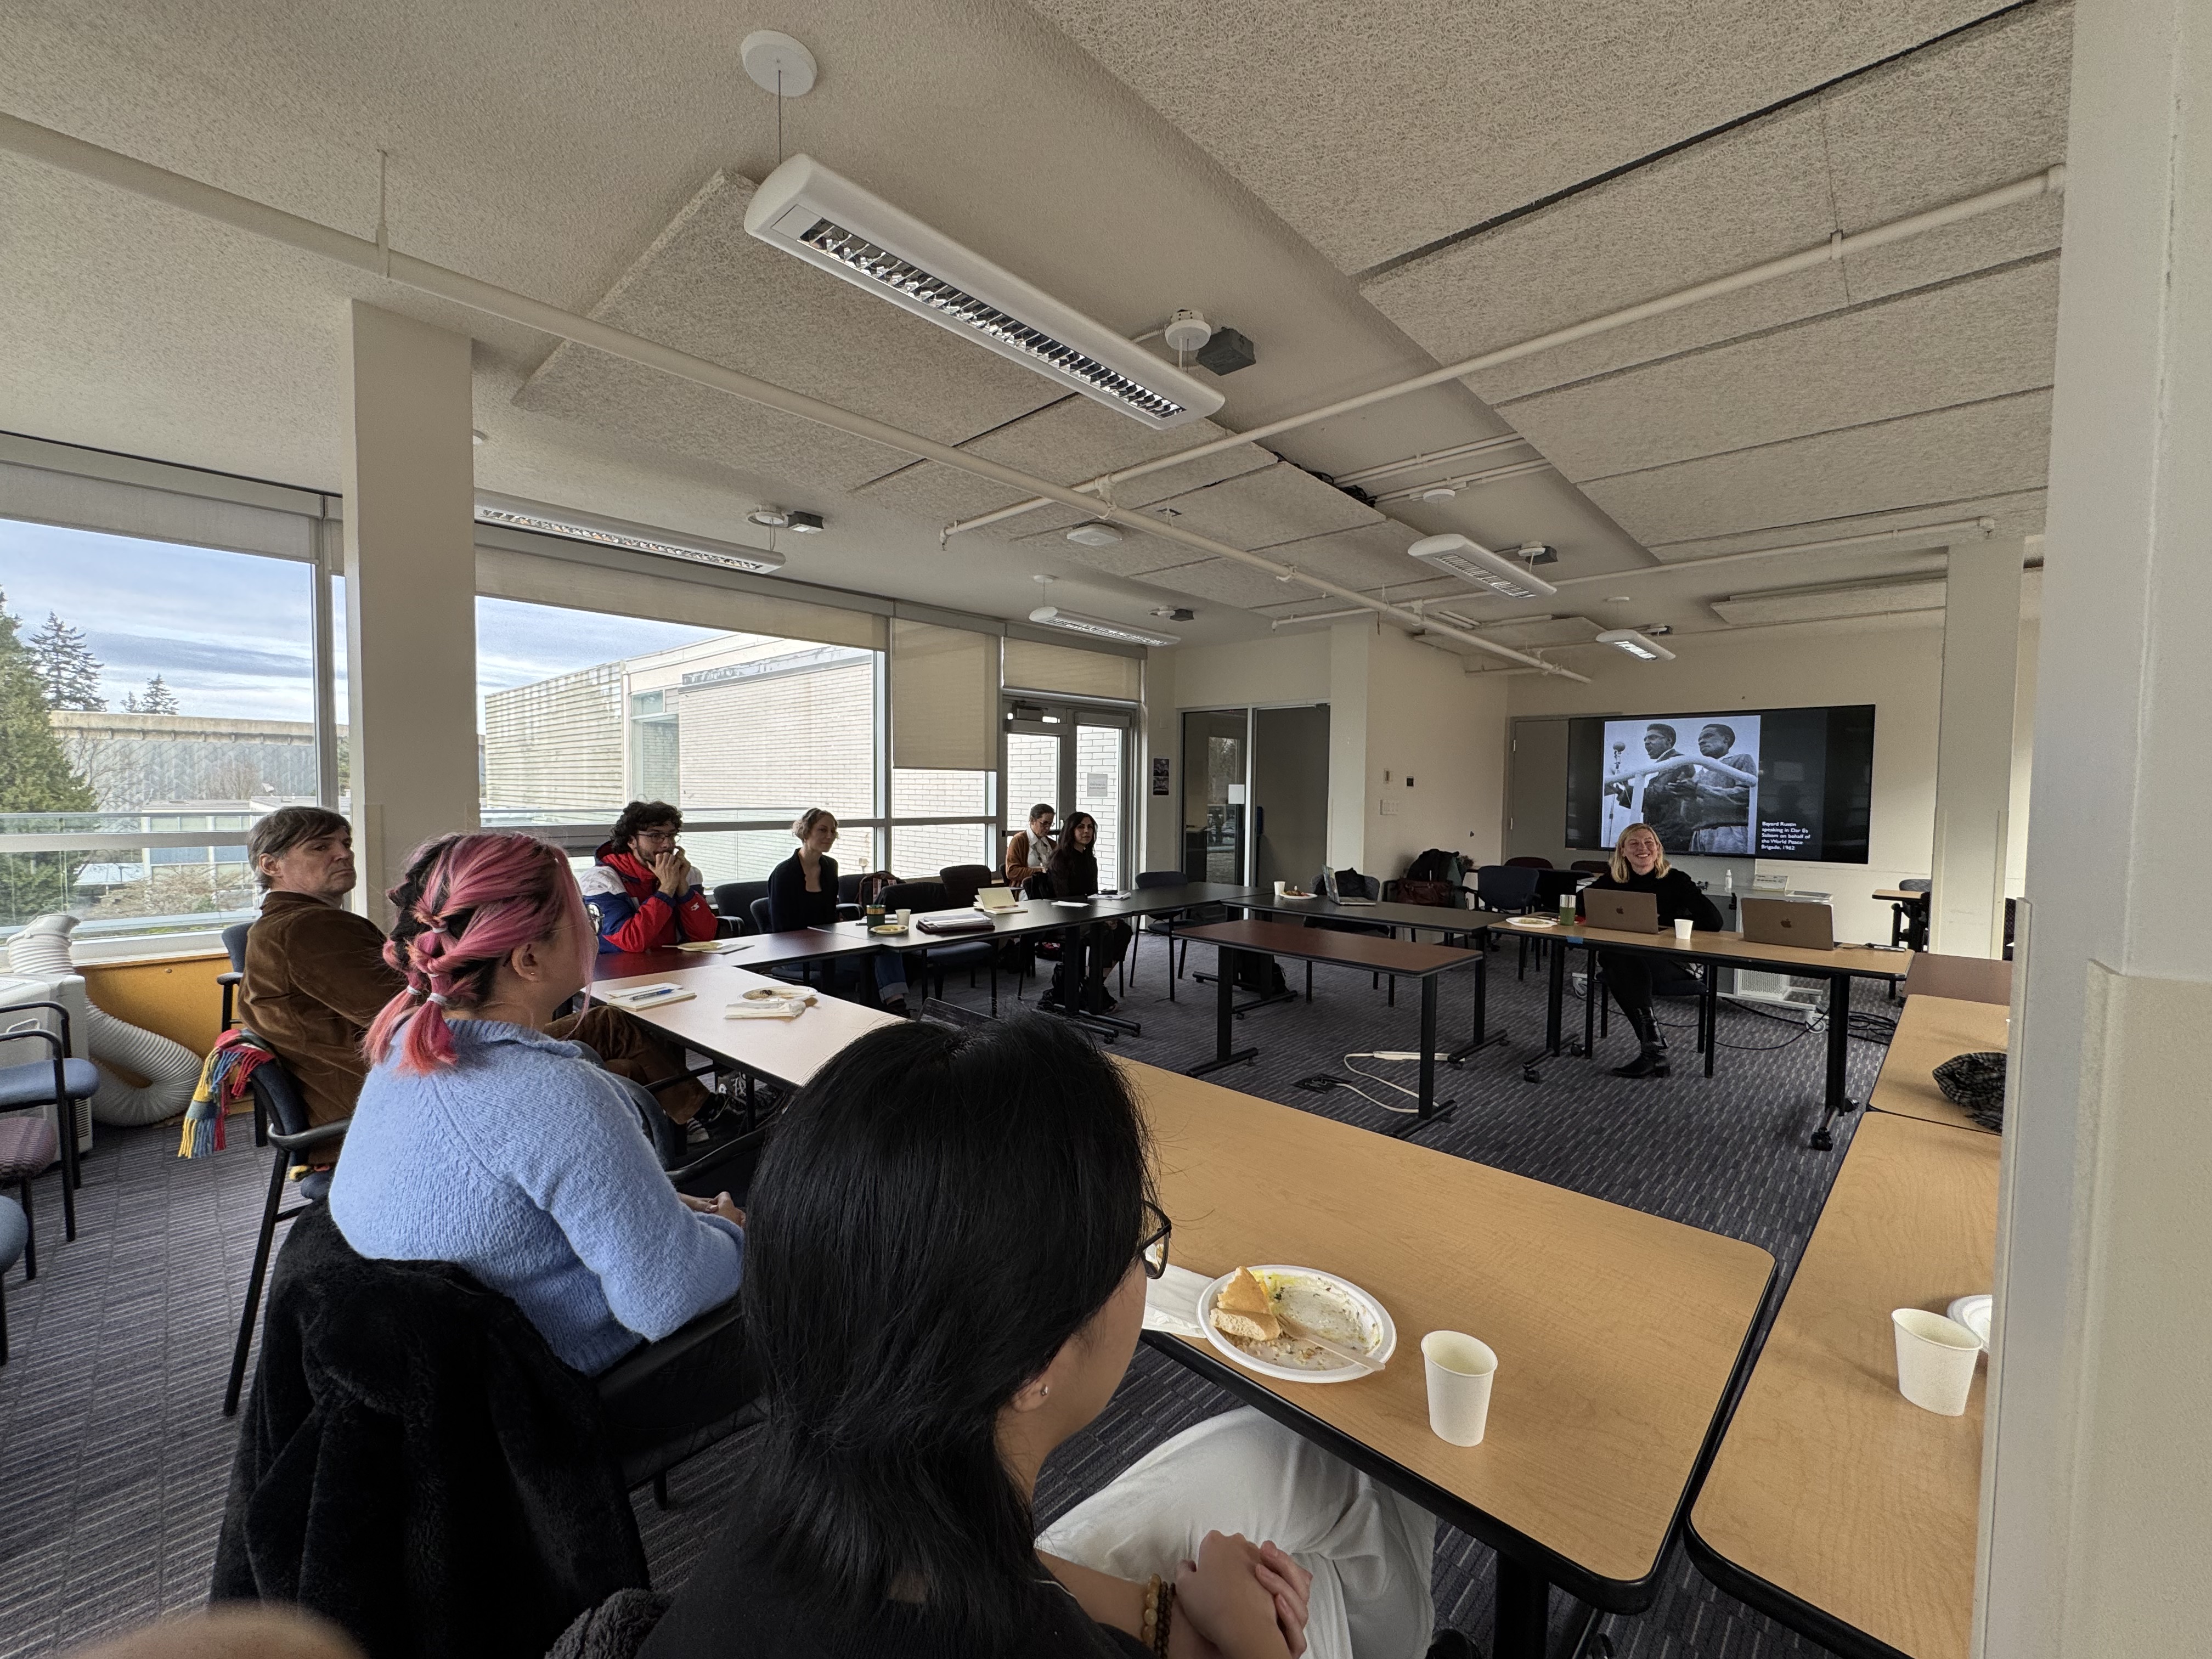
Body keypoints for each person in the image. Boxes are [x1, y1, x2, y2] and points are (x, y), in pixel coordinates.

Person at [638, 1015, 1442, 1659]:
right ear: (1032, 1366)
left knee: (1314, 1459)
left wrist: (1160, 1615)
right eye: (1137, 1238)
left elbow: (972, 1555)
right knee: (1346, 1546)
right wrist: (1247, 1643)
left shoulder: (794, 1508)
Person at [329, 831, 751, 1430]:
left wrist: (671, 1206)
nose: (592, 923)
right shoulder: (556, 1094)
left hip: (436, 1376)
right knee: (836, 1265)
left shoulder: (405, 1044)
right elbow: (667, 1301)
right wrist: (732, 1235)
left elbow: (508, 1192)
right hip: (548, 1393)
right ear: (529, 959)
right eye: (580, 910)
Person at [240, 805, 712, 1128]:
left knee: (615, 1025)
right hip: (422, 1082)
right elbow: (412, 1018)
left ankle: (695, 1118)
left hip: (411, 1069)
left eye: (344, 842)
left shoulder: (301, 924)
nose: (343, 853)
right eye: (320, 848)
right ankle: (699, 1120)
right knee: (619, 1039)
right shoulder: (304, 930)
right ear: (271, 865)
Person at [1578, 821, 1723, 1079]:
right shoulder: (1614, 880)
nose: (1642, 848)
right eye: (1633, 843)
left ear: (1658, 849)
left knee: (1616, 962)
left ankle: (1653, 1053)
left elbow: (1714, 922)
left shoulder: (1676, 880)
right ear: (1623, 851)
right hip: (1630, 963)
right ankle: (1652, 1051)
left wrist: (1666, 924)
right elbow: (1581, 904)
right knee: (1620, 957)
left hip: (1673, 963)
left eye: (1649, 843)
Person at [766, 808, 909, 1017]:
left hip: (827, 943)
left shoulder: (830, 866)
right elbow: (782, 929)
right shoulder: (784, 874)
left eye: (833, 831)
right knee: (874, 959)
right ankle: (891, 1010)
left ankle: (891, 1008)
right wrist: (822, 939)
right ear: (806, 833)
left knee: (884, 949)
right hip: (794, 951)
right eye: (823, 830)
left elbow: (830, 915)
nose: (829, 836)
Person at [580, 800, 718, 955]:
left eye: (671, 835)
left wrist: (682, 888)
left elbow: (704, 937)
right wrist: (666, 890)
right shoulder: (600, 880)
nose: (667, 844)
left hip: (675, 965)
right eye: (656, 836)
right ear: (631, 840)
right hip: (621, 972)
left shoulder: (687, 873)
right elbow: (632, 941)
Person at [1045, 810, 1130, 1014]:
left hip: (1088, 914)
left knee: (1123, 930)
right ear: (1071, 831)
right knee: (1104, 932)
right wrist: (1098, 919)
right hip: (1065, 917)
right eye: (1081, 827)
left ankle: (1093, 983)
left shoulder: (1090, 859)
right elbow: (1063, 900)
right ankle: (1091, 989)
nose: (1086, 831)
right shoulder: (1060, 859)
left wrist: (1108, 915)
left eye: (1090, 827)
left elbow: (1092, 895)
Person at [1621, 724, 1700, 851]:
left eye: (1652, 738)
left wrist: (1628, 790)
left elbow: (1656, 796)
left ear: (1669, 741)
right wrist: (1620, 790)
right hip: (1665, 833)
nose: (1647, 743)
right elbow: (1654, 806)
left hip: (1671, 834)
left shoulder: (1677, 761)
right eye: (1645, 740)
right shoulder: (1664, 765)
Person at [1685, 724, 1758, 855]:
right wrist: (1686, 797)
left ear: (1726, 739)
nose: (1702, 742)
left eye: (1708, 736)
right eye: (1699, 740)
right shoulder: (1698, 774)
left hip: (1729, 832)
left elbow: (1745, 795)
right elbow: (1689, 817)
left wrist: (1701, 789)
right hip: (1698, 834)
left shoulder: (1741, 760)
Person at [1005, 802, 1056, 890]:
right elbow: (1012, 872)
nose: (1048, 828)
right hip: (1026, 889)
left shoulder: (1052, 843)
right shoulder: (1019, 840)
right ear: (1032, 821)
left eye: (1050, 824)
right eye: (1044, 823)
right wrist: (1041, 871)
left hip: (1049, 888)